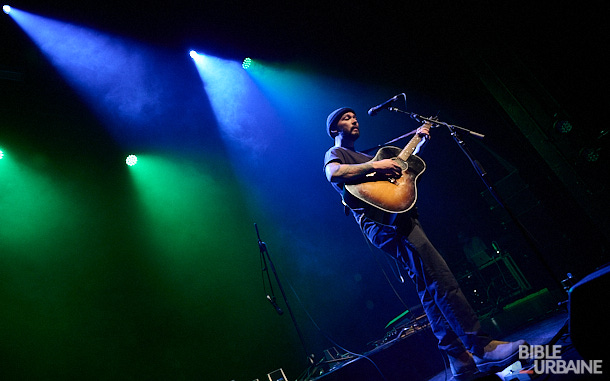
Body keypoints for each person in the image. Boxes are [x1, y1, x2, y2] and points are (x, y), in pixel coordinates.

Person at [323, 107, 526, 380]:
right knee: (440, 278)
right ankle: (481, 347)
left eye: (355, 116)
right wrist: (377, 165)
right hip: (386, 223)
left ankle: (458, 357)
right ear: (334, 130)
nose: (354, 120)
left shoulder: (366, 154)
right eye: (346, 119)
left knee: (427, 287)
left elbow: (400, 174)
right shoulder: (337, 154)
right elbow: (333, 174)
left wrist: (420, 141)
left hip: (399, 217)